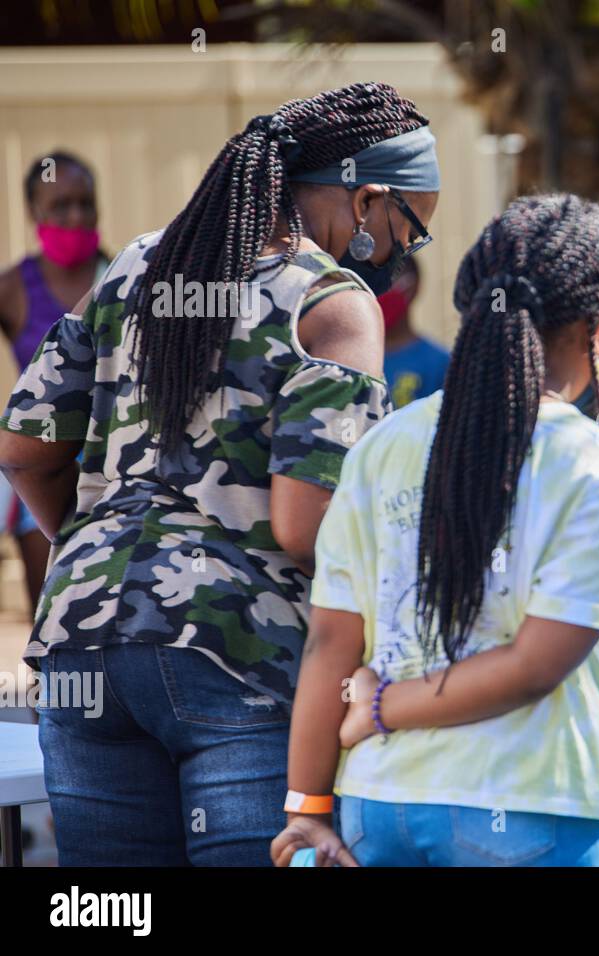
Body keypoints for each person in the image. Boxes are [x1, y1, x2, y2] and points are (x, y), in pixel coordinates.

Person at [0, 82, 440, 866]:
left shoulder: (137, 265)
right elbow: (306, 526)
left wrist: (94, 544)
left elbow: (24, 446)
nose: (403, 257)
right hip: (237, 651)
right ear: (368, 199)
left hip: (80, 642)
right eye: (410, 230)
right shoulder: (333, 303)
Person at [270, 194, 599, 868]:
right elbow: (537, 666)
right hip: (532, 805)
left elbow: (330, 643)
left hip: (377, 808)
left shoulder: (383, 446)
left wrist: (307, 808)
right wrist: (385, 706)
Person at [0, 151, 109, 614]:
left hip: (109, 454)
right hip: (42, 456)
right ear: (34, 213)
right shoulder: (13, 288)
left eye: (85, 203)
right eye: (60, 205)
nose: (75, 216)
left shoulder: (122, 277)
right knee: (52, 612)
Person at [378, 257, 450, 407]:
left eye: (386, 283)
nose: (377, 292)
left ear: (411, 287)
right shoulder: (353, 359)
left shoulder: (440, 363)